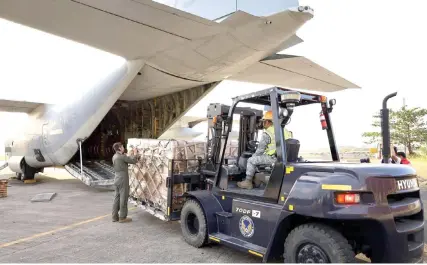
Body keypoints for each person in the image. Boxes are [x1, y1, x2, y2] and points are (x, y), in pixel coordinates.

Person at [237, 110, 292, 189]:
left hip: (273, 158)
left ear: (267, 122)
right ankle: (258, 178)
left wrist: (253, 156)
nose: (263, 123)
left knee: (251, 160)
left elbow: (260, 150)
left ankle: (248, 182)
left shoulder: (268, 133)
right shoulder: (284, 130)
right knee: (258, 159)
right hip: (283, 157)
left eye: (264, 121)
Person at [112, 142, 138, 223]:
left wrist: (127, 155)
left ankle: (114, 217)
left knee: (117, 198)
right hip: (123, 179)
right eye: (122, 147)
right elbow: (133, 161)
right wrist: (135, 153)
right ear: (119, 148)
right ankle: (122, 217)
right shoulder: (122, 157)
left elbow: (125, 159)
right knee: (124, 197)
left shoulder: (115, 156)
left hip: (116, 178)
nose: (123, 148)